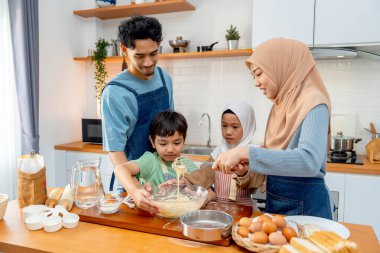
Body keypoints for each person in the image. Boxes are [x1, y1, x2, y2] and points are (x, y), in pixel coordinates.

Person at [212, 38, 333, 219]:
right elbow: (279, 157)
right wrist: (246, 168)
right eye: (253, 76)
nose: (256, 82)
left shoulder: (314, 103)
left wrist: (245, 153)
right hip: (277, 204)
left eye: (259, 73)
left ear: (282, 66)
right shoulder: (281, 105)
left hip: (307, 210)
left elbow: (309, 160)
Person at [101, 15, 174, 192]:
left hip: (165, 180)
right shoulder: (115, 92)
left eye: (154, 53)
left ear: (159, 44)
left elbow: (172, 130)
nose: (148, 62)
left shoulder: (165, 79)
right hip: (132, 185)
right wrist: (135, 189)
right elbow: (116, 152)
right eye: (139, 56)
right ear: (124, 49)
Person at [164, 101, 265, 207]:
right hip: (218, 207)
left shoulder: (252, 154)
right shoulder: (218, 152)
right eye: (224, 125)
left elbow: (255, 181)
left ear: (248, 126)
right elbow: (204, 174)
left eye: (235, 127)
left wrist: (243, 173)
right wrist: (184, 181)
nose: (228, 131)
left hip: (244, 209)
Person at [116, 111, 199, 213]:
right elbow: (120, 169)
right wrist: (135, 191)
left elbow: (204, 192)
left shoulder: (189, 165)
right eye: (163, 144)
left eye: (176, 143)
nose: (170, 149)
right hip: (153, 215)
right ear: (152, 141)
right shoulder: (151, 161)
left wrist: (187, 186)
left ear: (184, 140)